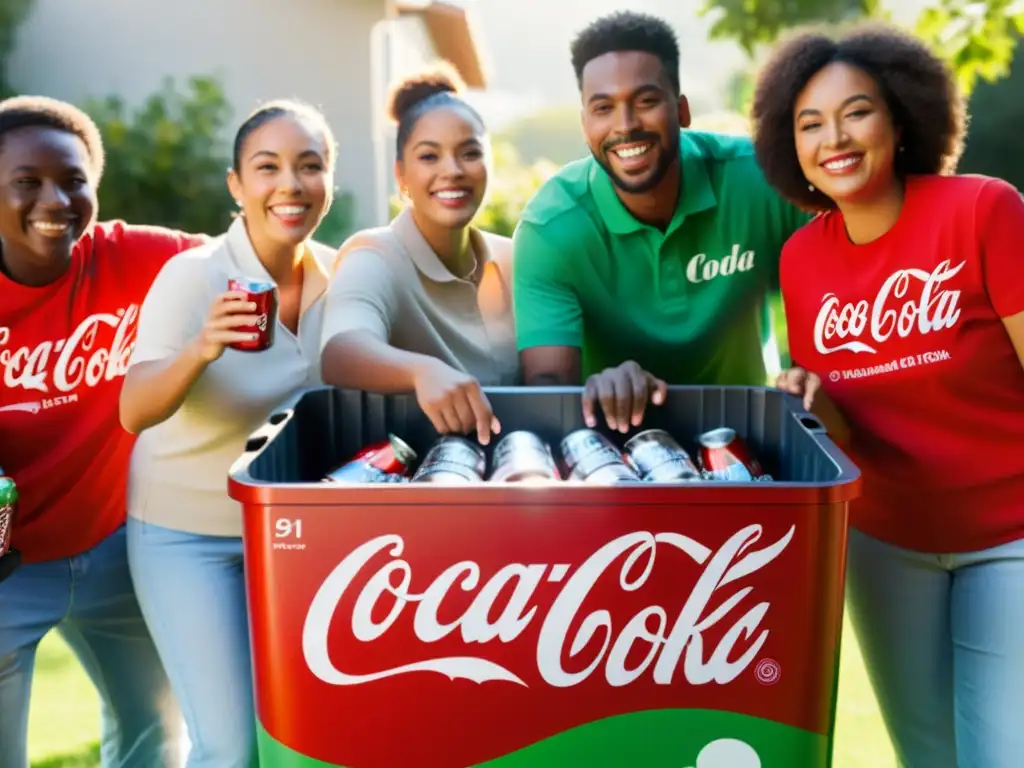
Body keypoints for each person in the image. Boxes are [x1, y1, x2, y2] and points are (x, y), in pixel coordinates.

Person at [751, 23, 1024, 768]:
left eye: (856, 111)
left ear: (900, 118)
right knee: (926, 755)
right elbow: (844, 422)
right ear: (790, 144)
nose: (833, 137)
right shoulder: (802, 258)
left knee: (1003, 752)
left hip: (1008, 535)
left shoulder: (983, 210)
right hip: (885, 544)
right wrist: (807, 397)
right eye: (810, 123)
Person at [118, 99, 338, 766]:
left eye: (309, 165)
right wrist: (200, 350)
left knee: (302, 738)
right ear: (236, 185)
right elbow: (134, 411)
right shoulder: (194, 275)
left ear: (330, 177)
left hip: (293, 539)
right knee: (230, 746)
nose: (289, 185)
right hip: (187, 537)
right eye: (266, 167)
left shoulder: (344, 274)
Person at [0, 96, 205, 766]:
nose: (55, 200)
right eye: (26, 183)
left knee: (153, 730)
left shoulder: (138, 257)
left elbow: (258, 256)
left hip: (118, 544)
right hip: (8, 566)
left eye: (73, 180)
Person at [512, 11, 810, 433]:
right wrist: (597, 385)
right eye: (603, 108)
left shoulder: (760, 180)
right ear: (585, 125)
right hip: (611, 448)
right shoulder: (552, 228)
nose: (626, 125)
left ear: (682, 110)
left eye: (646, 101)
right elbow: (546, 390)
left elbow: (839, 285)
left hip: (750, 438)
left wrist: (809, 374)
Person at [320, 64, 516, 445]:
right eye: (429, 157)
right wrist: (421, 372)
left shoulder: (515, 259)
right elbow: (341, 350)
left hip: (517, 472)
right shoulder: (374, 255)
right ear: (401, 176)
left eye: (470, 153)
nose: (453, 170)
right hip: (419, 484)